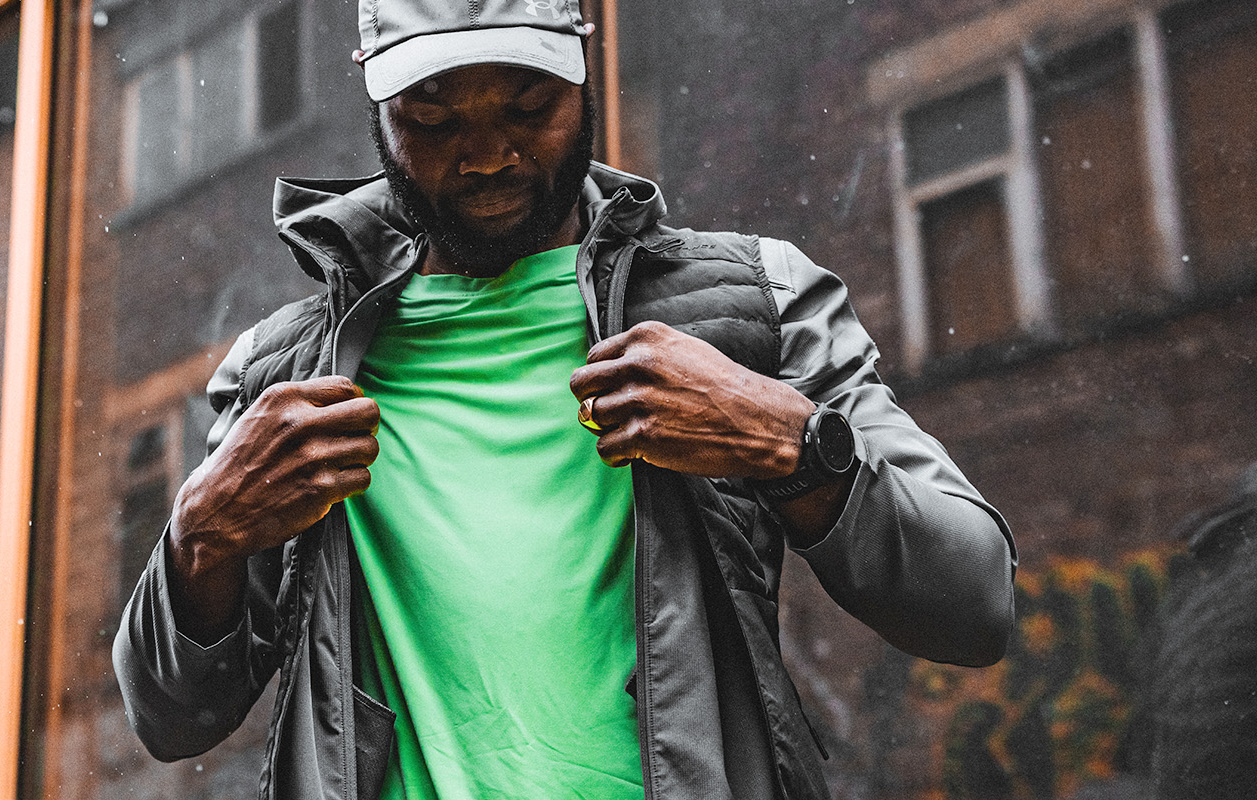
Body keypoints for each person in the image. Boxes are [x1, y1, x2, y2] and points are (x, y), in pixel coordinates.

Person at [113, 1, 1017, 797]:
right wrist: (201, 535)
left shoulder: (756, 301)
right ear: (377, 115)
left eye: (527, 104)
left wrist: (790, 446)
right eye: (431, 117)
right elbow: (172, 719)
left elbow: (973, 602)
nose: (487, 155)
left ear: (584, 76)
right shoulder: (291, 369)